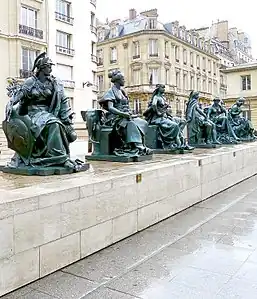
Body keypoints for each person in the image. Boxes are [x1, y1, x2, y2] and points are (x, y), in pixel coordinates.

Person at [3, 52, 82, 171]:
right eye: (48, 66)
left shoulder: (54, 83)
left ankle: (57, 157)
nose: (50, 68)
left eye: (51, 66)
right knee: (54, 124)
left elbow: (63, 99)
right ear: (41, 68)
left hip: (48, 113)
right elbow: (19, 95)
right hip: (32, 113)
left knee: (55, 123)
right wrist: (11, 103)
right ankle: (61, 159)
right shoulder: (31, 81)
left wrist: (67, 118)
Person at [98, 70, 152, 157]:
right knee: (131, 124)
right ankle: (137, 146)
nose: (124, 81)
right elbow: (111, 108)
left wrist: (130, 114)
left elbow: (126, 106)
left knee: (143, 122)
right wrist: (123, 114)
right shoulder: (111, 92)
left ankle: (134, 145)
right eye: (122, 79)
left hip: (125, 116)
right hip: (115, 118)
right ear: (117, 80)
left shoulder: (122, 92)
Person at [144, 84, 193, 150]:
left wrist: (170, 116)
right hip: (158, 118)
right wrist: (158, 112)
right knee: (175, 125)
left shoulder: (163, 97)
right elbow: (153, 104)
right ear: (158, 89)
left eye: (164, 88)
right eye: (162, 88)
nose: (164, 89)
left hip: (165, 117)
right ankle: (177, 144)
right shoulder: (156, 97)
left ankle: (182, 142)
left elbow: (165, 109)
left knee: (182, 121)